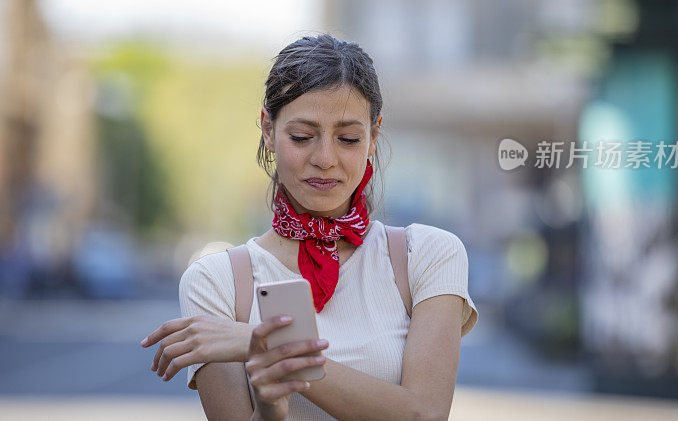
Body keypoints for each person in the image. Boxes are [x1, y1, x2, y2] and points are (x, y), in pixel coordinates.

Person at [140, 34, 478, 421]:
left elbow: (425, 414)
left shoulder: (428, 255)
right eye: (302, 137)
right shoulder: (216, 282)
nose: (325, 158)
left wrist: (264, 347)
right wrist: (270, 409)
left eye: (349, 138)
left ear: (374, 136)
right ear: (267, 129)